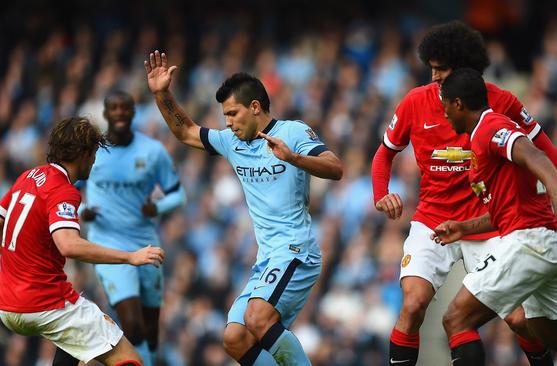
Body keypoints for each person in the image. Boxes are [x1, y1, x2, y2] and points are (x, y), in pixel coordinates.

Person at [372, 21, 557, 366]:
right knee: (413, 303)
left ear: (464, 70)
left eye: (440, 70)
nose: (433, 78)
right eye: (430, 69)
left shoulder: (501, 102)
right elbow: (385, 152)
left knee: (519, 318)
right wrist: (381, 193)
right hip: (433, 220)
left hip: (487, 224)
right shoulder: (415, 102)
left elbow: (545, 151)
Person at [144, 50, 342, 366]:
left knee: (258, 317)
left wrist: (294, 159)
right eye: (225, 116)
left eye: (233, 113)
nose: (228, 122)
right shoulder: (231, 142)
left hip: (296, 250)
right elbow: (185, 131)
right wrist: (162, 94)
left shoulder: (292, 132)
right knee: (234, 338)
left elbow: (335, 167)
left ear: (255, 107)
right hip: (266, 258)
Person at [433, 67, 557, 366]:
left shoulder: (490, 126)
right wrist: (463, 228)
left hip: (532, 241)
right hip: (550, 244)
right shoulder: (480, 142)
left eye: (444, 107)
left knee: (456, 319)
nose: (444, 116)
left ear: (458, 104)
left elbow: (535, 155)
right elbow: (502, 213)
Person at [0, 116, 165, 366]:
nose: (95, 160)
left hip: (7, 304)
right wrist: (130, 257)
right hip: (42, 301)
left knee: (78, 338)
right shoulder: (63, 190)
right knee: (129, 359)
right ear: (83, 153)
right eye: (94, 152)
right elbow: (69, 244)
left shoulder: (28, 177)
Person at [77, 90, 186, 366]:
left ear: (133, 112)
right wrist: (82, 212)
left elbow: (178, 194)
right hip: (107, 243)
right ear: (105, 113)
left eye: (124, 108)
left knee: (150, 329)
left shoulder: (152, 152)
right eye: (113, 108)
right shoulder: (94, 152)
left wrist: (157, 208)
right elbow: (68, 189)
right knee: (132, 323)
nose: (119, 113)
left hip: (145, 242)